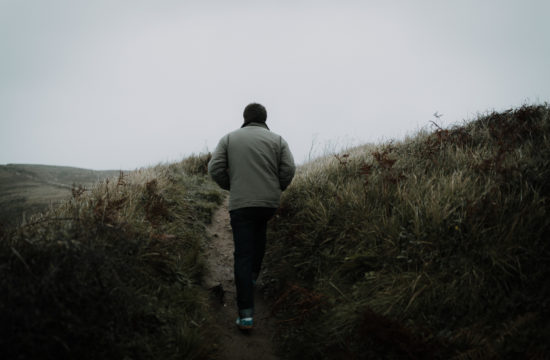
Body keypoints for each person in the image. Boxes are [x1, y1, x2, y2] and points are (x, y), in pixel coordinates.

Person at [208, 103, 295, 330]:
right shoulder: (278, 140)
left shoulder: (229, 139)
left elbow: (214, 168)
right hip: (268, 203)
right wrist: (278, 188)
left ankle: (245, 315)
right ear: (265, 119)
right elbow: (289, 169)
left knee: (243, 255)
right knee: (260, 234)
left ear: (244, 118)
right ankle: (253, 277)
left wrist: (232, 186)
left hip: (241, 205)